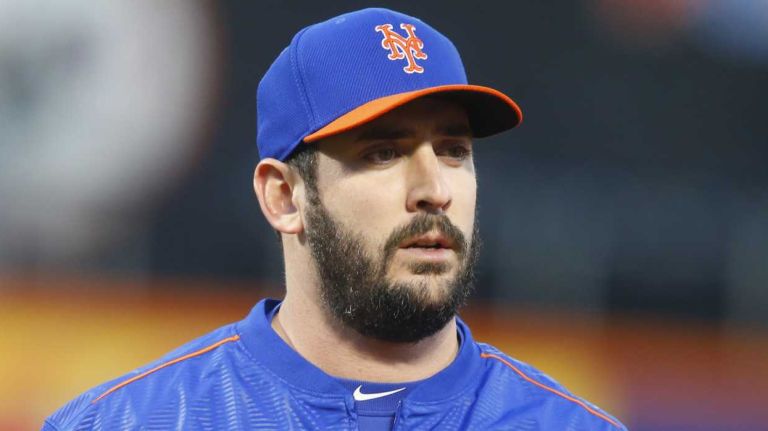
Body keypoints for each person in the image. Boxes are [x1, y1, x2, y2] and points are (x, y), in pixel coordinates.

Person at [43, 8, 627, 431]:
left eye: (454, 150)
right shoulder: (128, 422)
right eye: (384, 153)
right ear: (284, 197)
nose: (434, 191)